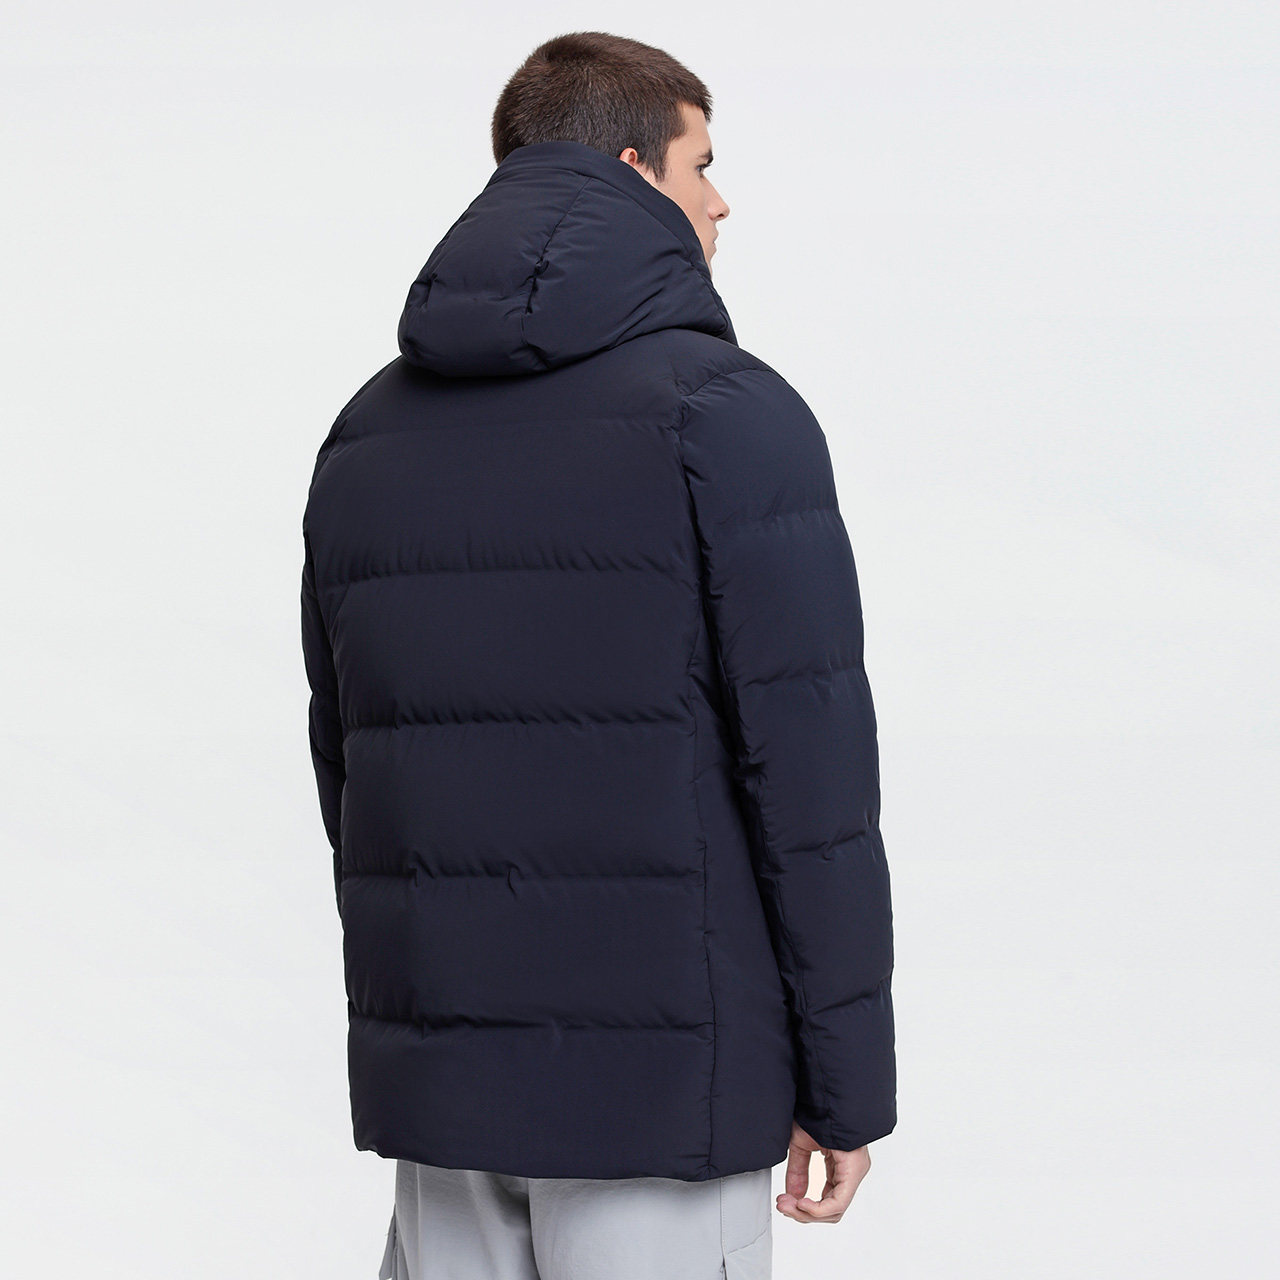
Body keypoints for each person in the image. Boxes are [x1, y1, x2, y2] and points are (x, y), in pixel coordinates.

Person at [300, 30, 896, 1280]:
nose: (719, 201)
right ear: (631, 168)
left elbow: (350, 773)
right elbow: (809, 782)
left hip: (447, 1090)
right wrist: (843, 1083)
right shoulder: (723, 412)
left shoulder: (368, 432)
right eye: (700, 164)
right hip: (667, 1097)